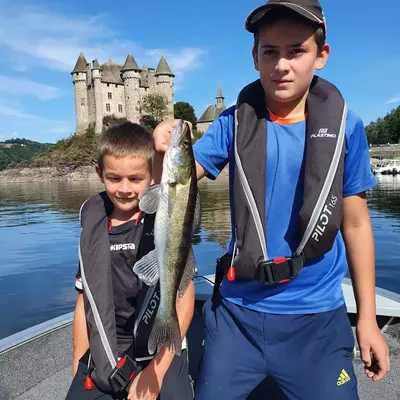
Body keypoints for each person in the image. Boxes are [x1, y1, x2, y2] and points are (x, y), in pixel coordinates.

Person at [152, 1, 390, 399]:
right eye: (270, 52)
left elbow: (356, 223)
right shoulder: (232, 122)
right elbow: (176, 180)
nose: (282, 64)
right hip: (236, 318)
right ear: (255, 58)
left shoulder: (347, 127)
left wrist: (367, 318)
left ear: (321, 56)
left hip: (315, 318)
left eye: (296, 50)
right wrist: (161, 145)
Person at [66, 122, 194, 400]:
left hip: (159, 348)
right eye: (114, 178)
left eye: (136, 179)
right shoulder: (93, 226)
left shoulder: (163, 216)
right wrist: (78, 364)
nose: (125, 189)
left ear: (151, 177)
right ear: (100, 174)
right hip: (107, 345)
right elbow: (84, 302)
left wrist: (155, 373)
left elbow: (183, 300)